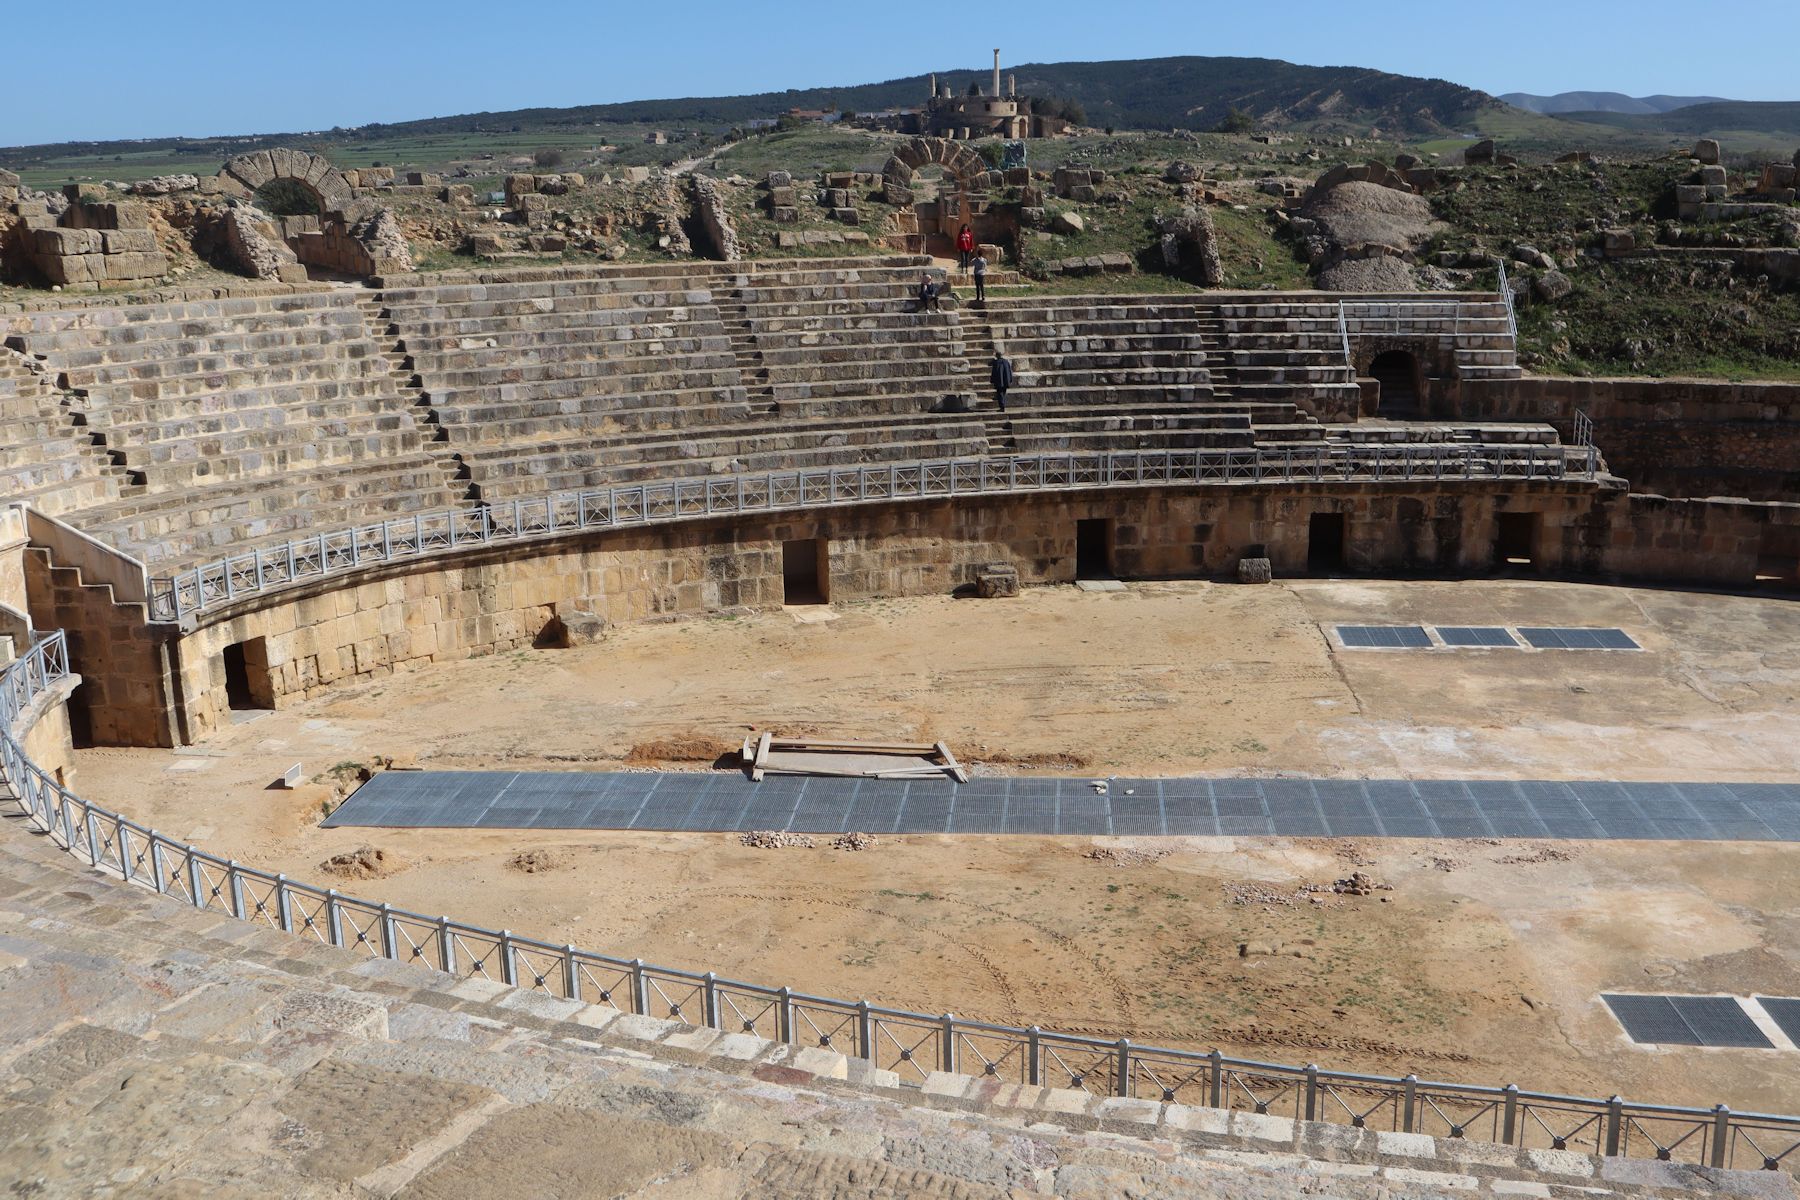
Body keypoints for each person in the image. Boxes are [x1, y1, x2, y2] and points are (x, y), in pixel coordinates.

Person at [989, 347, 1014, 412]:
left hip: (999, 382)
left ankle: (1002, 407)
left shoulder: (996, 363)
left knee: (1000, 394)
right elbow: (1010, 371)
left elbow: (994, 372)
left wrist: (992, 380)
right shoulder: (1006, 362)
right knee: (1003, 393)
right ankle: (1003, 405)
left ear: (997, 356)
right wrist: (1010, 379)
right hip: (1006, 381)